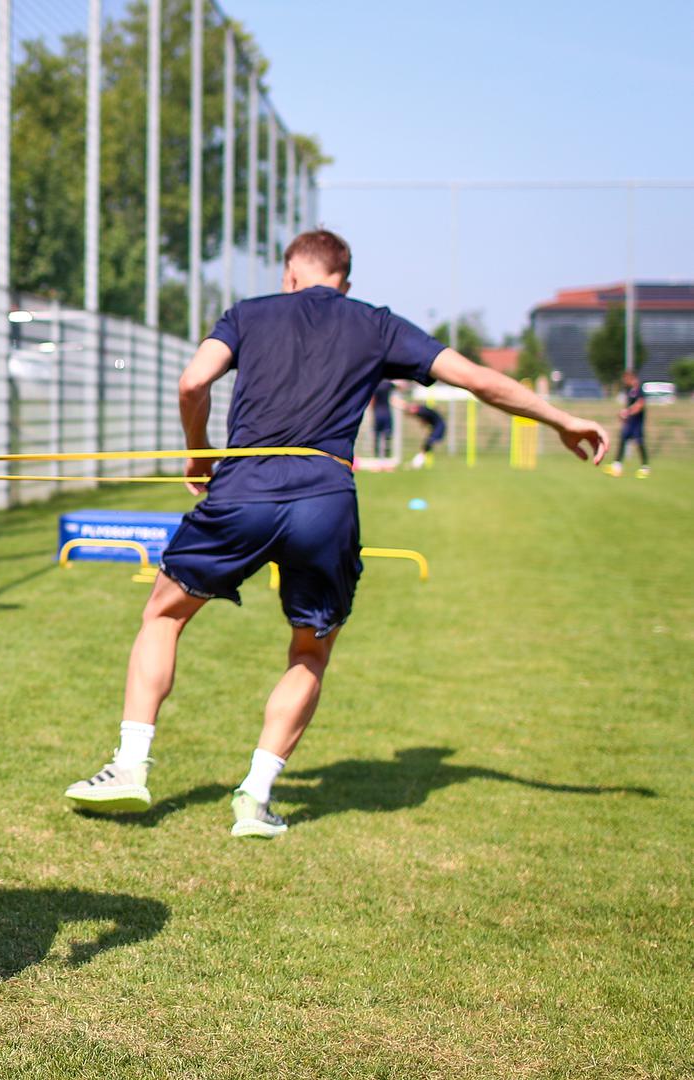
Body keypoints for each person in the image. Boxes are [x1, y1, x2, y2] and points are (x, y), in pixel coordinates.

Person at [63, 229, 607, 838]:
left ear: (291, 272)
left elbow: (194, 382)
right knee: (309, 650)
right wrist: (562, 418)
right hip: (326, 500)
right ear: (343, 280)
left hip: (242, 491)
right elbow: (479, 380)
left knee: (164, 616)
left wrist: (198, 457)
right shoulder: (376, 324)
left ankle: (131, 766)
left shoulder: (249, 313)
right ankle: (256, 798)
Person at [608, 370, 650, 478]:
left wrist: (628, 412)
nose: (624, 381)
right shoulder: (629, 390)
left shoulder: (639, 389)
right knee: (622, 440)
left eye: (625, 379)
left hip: (637, 423)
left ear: (630, 378)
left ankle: (645, 467)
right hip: (630, 422)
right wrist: (624, 415)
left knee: (639, 443)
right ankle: (617, 466)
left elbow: (640, 405)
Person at [405, 399, 446, 468]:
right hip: (436, 426)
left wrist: (423, 423)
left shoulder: (421, 411)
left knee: (428, 443)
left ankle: (418, 462)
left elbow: (425, 420)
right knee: (427, 445)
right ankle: (418, 461)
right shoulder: (421, 410)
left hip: (439, 426)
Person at [370, 379, 394, 458]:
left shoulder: (375, 384)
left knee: (377, 436)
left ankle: (376, 455)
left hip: (378, 413)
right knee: (387, 435)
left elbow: (372, 400)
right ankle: (387, 455)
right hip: (386, 412)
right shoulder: (388, 384)